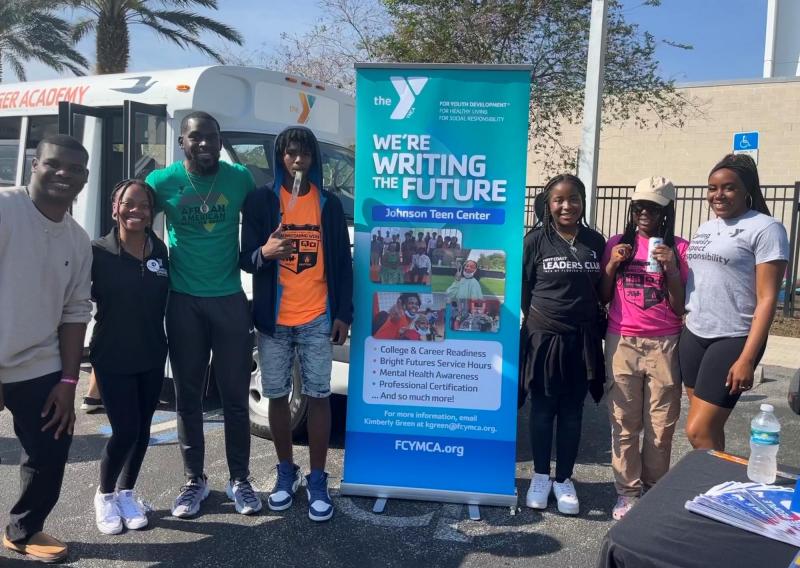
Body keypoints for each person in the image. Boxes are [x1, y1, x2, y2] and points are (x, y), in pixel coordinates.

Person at [145, 111, 260, 518]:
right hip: (183, 302)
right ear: (183, 143)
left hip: (229, 300)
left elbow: (267, 214)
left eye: (212, 137)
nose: (206, 144)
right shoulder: (162, 182)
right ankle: (194, 480)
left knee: (234, 399)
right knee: (188, 398)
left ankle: (240, 479)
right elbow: (132, 217)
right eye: (197, 138)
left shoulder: (239, 178)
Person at [241, 126, 353, 522]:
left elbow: (342, 262)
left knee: (319, 395)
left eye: (304, 153)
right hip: (273, 320)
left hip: (317, 316)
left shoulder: (328, 204)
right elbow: (245, 257)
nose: (298, 160)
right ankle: (285, 473)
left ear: (313, 159)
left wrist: (343, 314)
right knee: (277, 395)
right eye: (290, 153)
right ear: (280, 157)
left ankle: (318, 478)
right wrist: (265, 253)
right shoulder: (261, 200)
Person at [0, 135, 92, 563]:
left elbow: (75, 313)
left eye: (74, 169)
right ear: (34, 165)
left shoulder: (77, 239)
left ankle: (23, 530)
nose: (63, 174)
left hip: (38, 362)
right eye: (54, 164)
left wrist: (69, 381)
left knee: (50, 448)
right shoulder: (5, 208)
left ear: (85, 178)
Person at [681, 154, 788, 450]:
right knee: (708, 429)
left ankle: (717, 487)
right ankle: (716, 489)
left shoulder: (766, 228)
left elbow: (767, 299)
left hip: (734, 337)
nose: (718, 195)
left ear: (747, 190)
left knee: (698, 430)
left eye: (728, 187)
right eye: (712, 188)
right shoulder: (706, 228)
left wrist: (747, 359)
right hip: (695, 334)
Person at [599, 177, 688, 520]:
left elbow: (680, 307)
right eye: (639, 207)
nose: (644, 213)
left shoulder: (679, 248)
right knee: (623, 421)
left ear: (667, 212)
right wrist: (611, 266)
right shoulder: (617, 244)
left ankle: (653, 489)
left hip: (664, 341)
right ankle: (627, 492)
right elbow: (603, 296)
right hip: (622, 339)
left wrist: (672, 270)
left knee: (661, 424)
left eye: (652, 207)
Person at [520, 174, 606, 516]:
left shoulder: (596, 242)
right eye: (558, 200)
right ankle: (540, 476)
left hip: (581, 339)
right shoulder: (535, 241)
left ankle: (564, 479)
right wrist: (542, 322)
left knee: (572, 412)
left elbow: (601, 290)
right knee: (542, 410)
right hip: (544, 338)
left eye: (573, 199)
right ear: (548, 204)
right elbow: (524, 291)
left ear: (583, 202)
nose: (566, 206)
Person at [89, 179, 169, 534]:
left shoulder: (159, 251)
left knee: (143, 430)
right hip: (112, 354)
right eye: (129, 204)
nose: (136, 210)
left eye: (144, 205)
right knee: (125, 430)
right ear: (114, 209)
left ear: (152, 213)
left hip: (152, 353)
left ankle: (127, 492)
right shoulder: (97, 252)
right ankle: (104, 495)